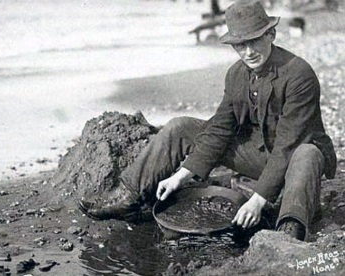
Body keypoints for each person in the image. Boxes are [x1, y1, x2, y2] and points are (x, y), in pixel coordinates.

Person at [79, 0, 337, 241]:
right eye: (240, 44)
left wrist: (258, 200)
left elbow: (287, 145)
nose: (248, 52)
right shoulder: (236, 74)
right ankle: (129, 196)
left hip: (296, 161)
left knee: (307, 153)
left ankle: (288, 229)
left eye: (255, 41)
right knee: (181, 126)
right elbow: (220, 128)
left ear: (271, 35)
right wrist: (182, 174)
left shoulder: (298, 74)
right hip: (258, 156)